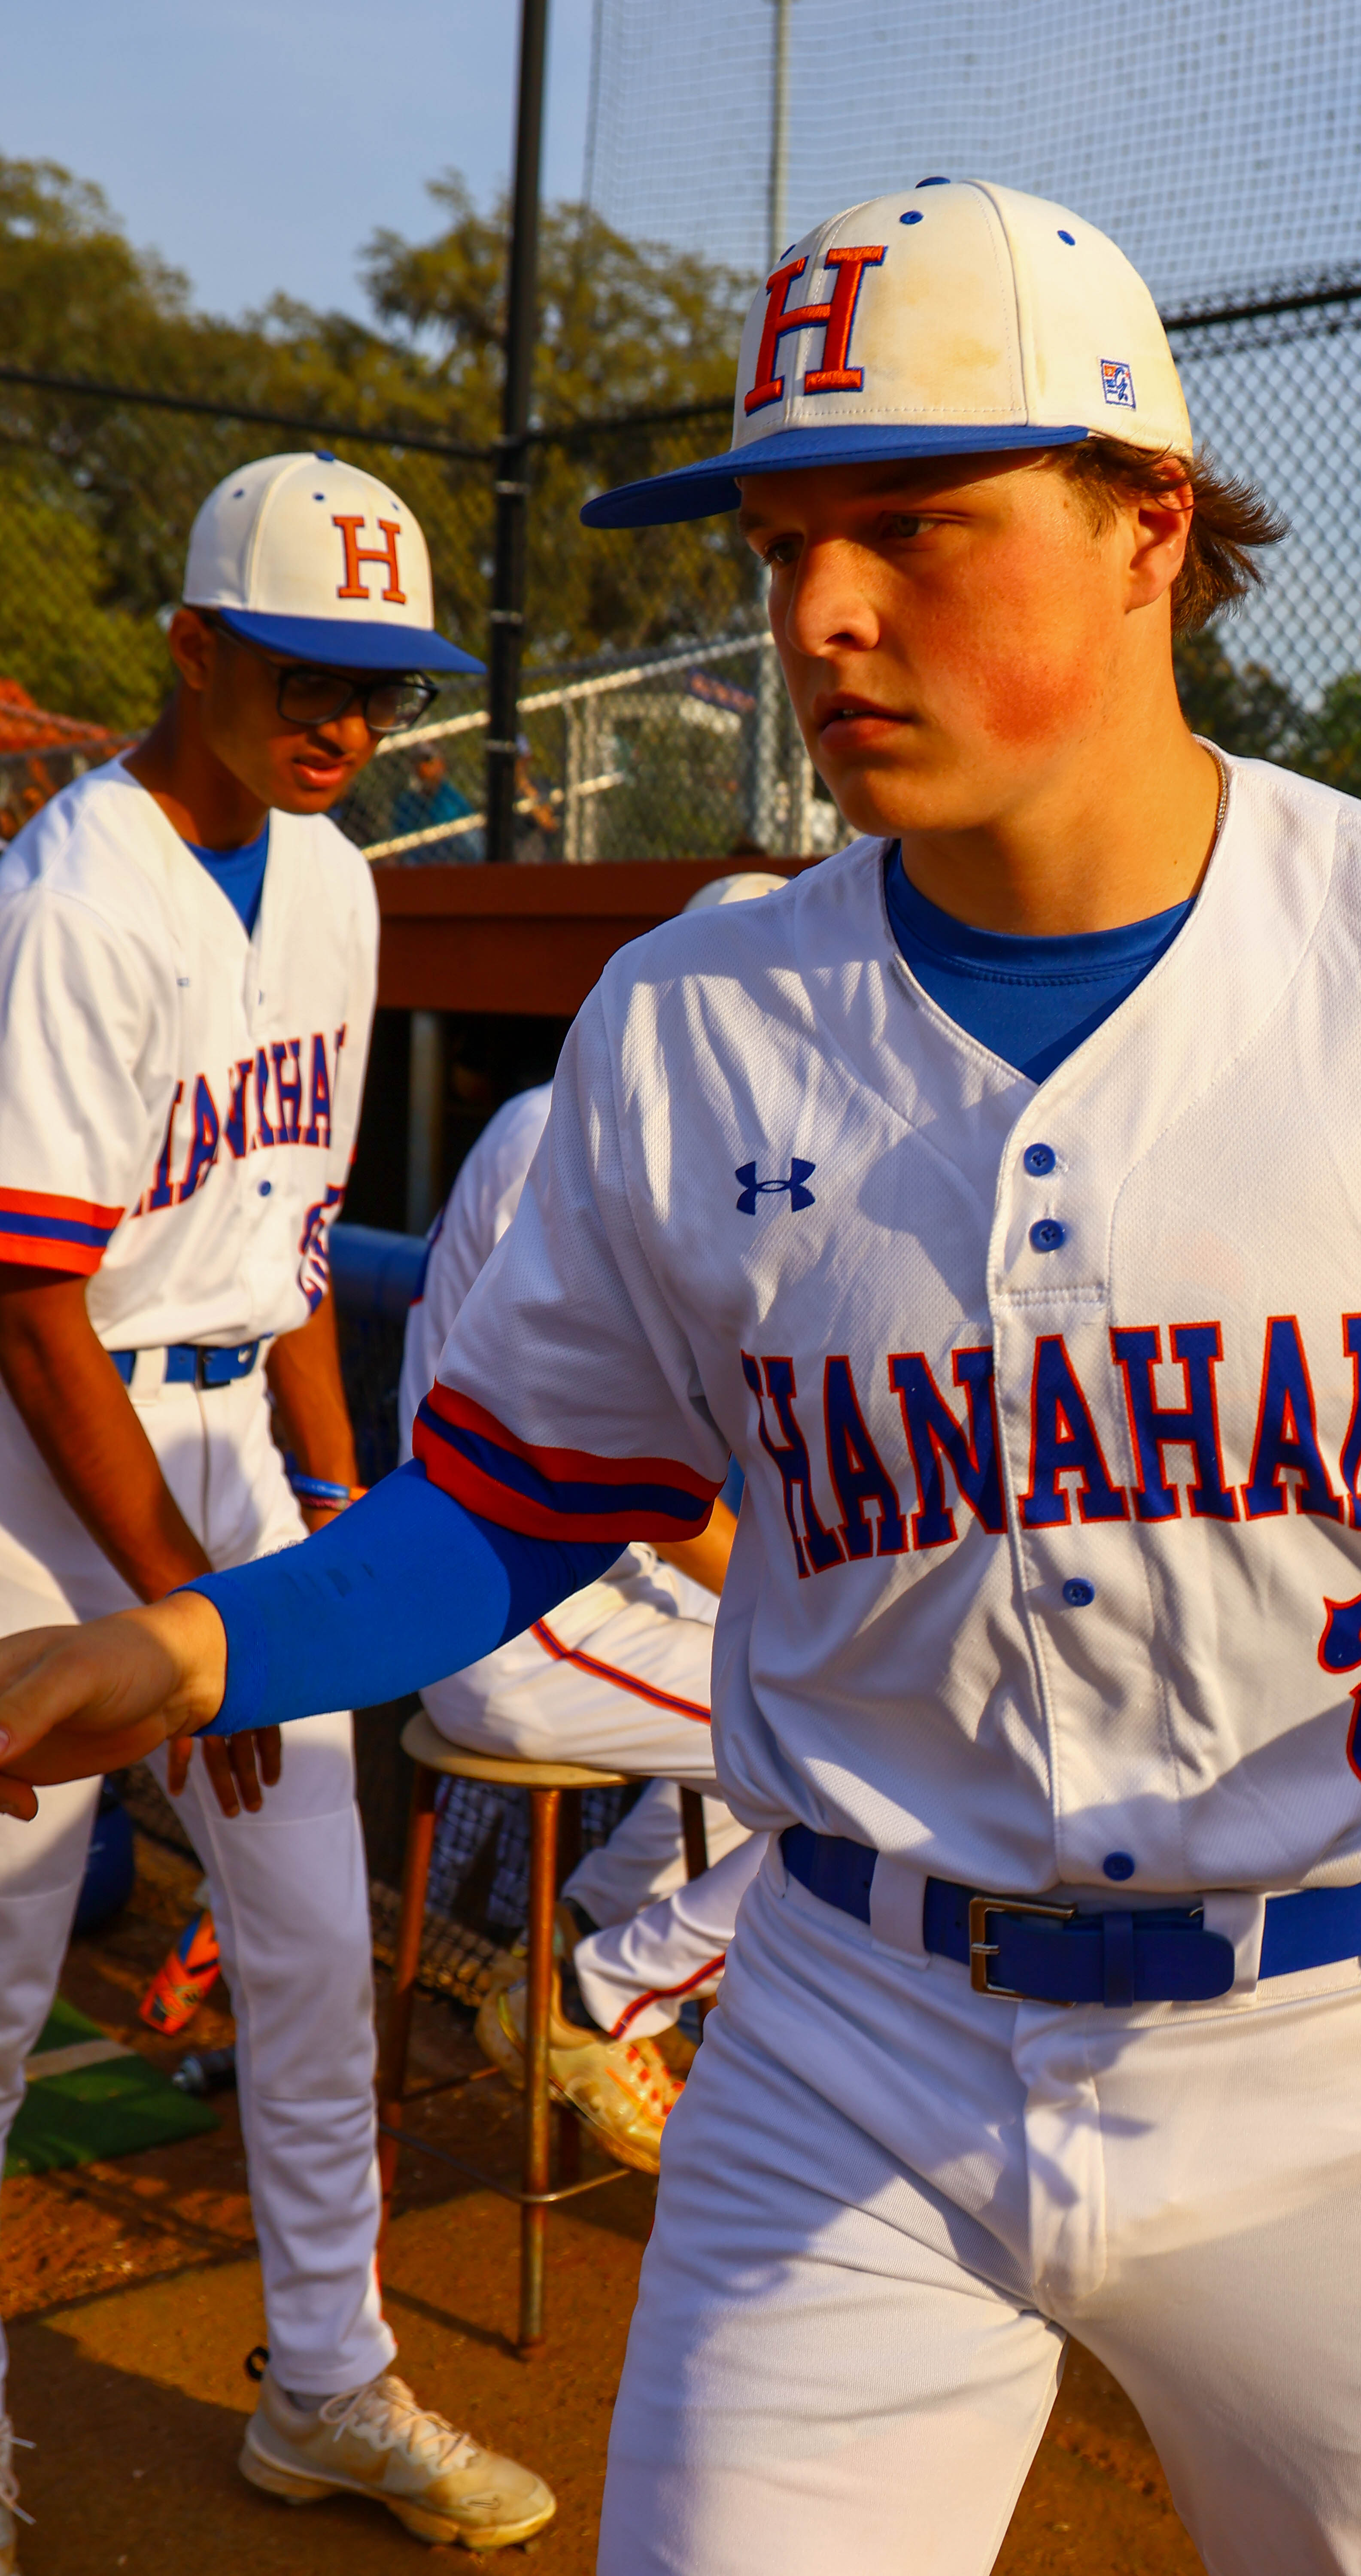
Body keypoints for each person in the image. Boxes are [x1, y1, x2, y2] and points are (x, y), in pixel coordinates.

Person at [7, 178, 1361, 2575]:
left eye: (914, 519)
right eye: (784, 535)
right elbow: (509, 1495)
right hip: (847, 2031)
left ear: (1149, 523)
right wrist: (184, 1636)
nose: (819, 609)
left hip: (1332, 2063)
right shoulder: (693, 1021)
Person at [0, 452, 553, 2561]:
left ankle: (324, 2385)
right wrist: (179, 1620)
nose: (344, 722)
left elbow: (300, 1238)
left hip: (233, 1456)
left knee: (318, 1958)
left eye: (383, 686)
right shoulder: (73, 893)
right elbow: (32, 1295)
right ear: (197, 649)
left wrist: (315, 1542)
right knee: (4, 1960)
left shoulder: (332, 875)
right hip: (52, 1468)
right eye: (305, 671)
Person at [395, 967, 778, 2172]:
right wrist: (810, 1600)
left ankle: (584, 1938)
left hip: (568, 1580)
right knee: (873, 1750)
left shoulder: (605, 1118)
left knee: (794, 1716)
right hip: (517, 1604)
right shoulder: (567, 1132)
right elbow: (625, 1482)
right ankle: (596, 2000)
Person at [389, 748, 483, 865]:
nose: (423, 768)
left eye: (428, 761)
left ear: (441, 765)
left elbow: (473, 847)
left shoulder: (452, 800)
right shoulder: (407, 803)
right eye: (418, 762)